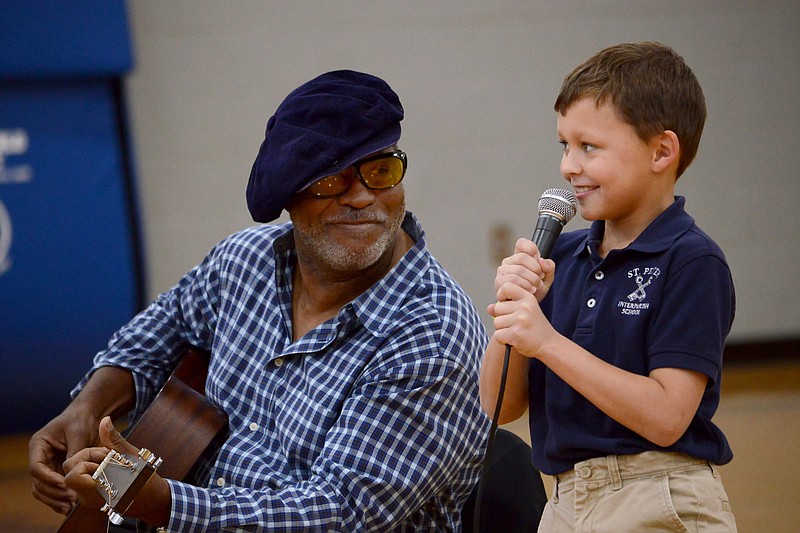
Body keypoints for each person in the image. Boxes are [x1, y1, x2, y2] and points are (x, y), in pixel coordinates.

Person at [29, 70, 491, 531]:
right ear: (290, 196)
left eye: (381, 170)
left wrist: (167, 505)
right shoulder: (242, 262)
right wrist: (86, 409)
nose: (363, 197)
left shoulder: (431, 334)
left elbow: (340, 512)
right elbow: (156, 333)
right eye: (334, 180)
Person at [480, 42, 738, 531]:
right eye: (564, 146)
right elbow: (500, 406)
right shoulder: (562, 257)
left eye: (589, 147)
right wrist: (514, 309)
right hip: (564, 501)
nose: (568, 166)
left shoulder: (691, 260)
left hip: (658, 493)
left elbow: (666, 417)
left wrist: (549, 343)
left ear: (661, 151)